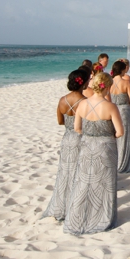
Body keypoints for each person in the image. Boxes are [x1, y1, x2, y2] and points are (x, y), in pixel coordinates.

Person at [65, 73, 124, 235]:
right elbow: (120, 132)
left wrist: (91, 134)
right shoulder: (110, 107)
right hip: (105, 148)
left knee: (84, 183)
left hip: (86, 147)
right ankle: (102, 216)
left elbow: (77, 128)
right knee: (104, 183)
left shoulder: (82, 104)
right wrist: (106, 135)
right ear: (107, 87)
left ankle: (79, 216)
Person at [42, 69, 88, 221]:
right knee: (79, 173)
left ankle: (63, 204)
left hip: (67, 138)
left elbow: (60, 121)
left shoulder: (62, 100)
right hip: (81, 139)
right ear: (83, 83)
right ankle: (76, 206)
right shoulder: (85, 102)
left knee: (65, 173)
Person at [109, 60, 130, 174]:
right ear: (123, 70)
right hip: (124, 111)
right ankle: (123, 164)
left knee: (115, 137)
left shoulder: (109, 82)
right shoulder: (126, 82)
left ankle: (115, 162)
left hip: (113, 111)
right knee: (125, 137)